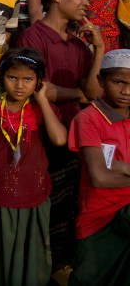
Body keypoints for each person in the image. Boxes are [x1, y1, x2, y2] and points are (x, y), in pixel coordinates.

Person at [17, 0, 104, 275]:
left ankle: (58, 268)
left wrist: (100, 48)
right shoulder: (33, 36)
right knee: (45, 210)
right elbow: (39, 88)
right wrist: (77, 95)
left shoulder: (80, 45)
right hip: (40, 137)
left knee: (66, 209)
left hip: (71, 137)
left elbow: (92, 92)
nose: (86, 4)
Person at [0, 48, 67, 286]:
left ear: (38, 81)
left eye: (28, 79)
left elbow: (60, 139)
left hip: (34, 198)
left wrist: (42, 99)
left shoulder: (43, 110)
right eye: (12, 78)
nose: (19, 86)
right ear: (2, 78)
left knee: (27, 259)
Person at [67, 49, 130, 286]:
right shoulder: (89, 119)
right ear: (101, 80)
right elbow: (100, 177)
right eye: (118, 82)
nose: (126, 91)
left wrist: (121, 167)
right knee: (90, 278)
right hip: (99, 217)